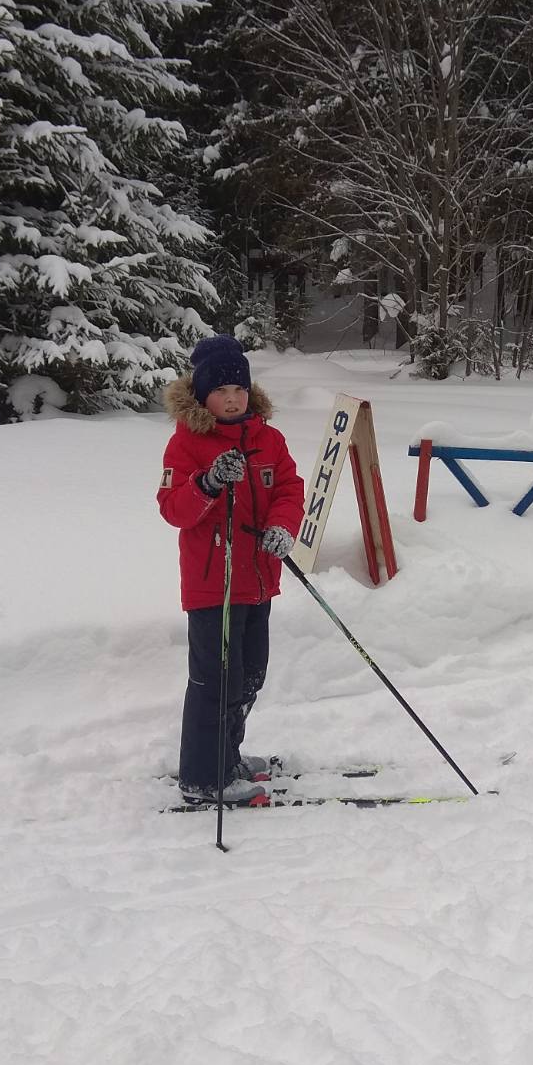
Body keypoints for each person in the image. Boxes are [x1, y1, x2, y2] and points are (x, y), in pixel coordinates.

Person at [158, 335, 305, 803]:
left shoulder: (268, 438)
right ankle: (203, 777)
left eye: (239, 389)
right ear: (203, 395)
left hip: (258, 580)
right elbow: (173, 508)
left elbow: (289, 488)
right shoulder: (187, 444)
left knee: (248, 676)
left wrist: (283, 526)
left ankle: (227, 758)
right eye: (221, 391)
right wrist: (208, 482)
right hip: (212, 584)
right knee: (215, 683)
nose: (232, 398)